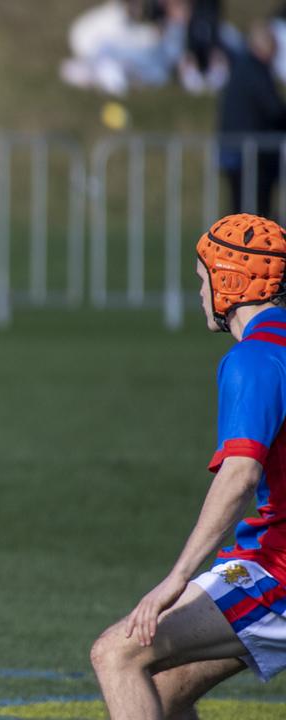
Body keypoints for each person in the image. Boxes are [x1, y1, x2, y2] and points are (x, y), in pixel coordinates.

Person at [91, 213, 286, 718]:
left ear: (230, 282)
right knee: (166, 691)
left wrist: (176, 578)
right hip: (267, 561)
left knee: (115, 653)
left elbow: (240, 474)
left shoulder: (254, 359)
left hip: (280, 569)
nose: (200, 293)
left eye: (203, 279)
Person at [218, 21, 286, 217]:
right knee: (253, 212)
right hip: (251, 153)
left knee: (241, 209)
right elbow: (273, 109)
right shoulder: (254, 69)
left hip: (239, 150)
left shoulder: (241, 67)